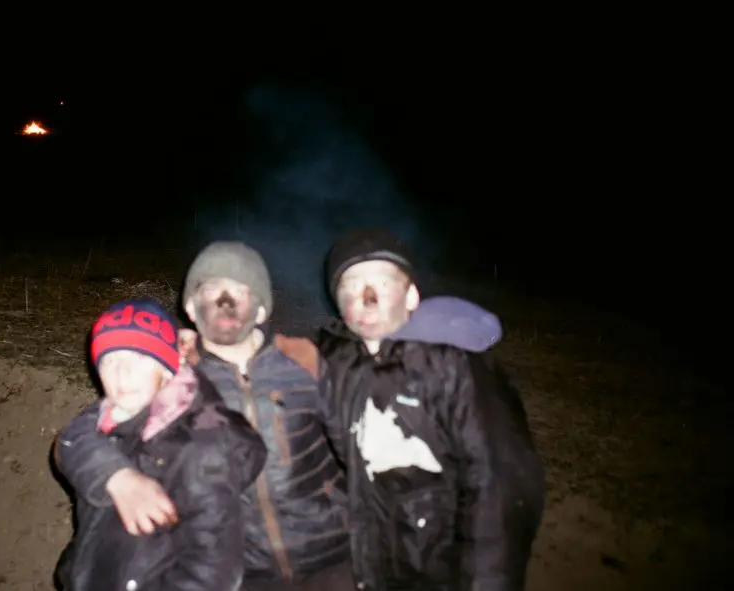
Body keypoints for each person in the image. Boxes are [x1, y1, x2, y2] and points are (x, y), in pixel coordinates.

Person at [55, 242, 354, 590]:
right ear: (191, 308)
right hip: (243, 568)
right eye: (211, 291)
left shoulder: (304, 363)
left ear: (261, 310)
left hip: (333, 554)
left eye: (239, 291)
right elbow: (75, 437)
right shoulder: (174, 381)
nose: (225, 302)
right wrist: (117, 476)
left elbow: (358, 443)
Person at [316, 229, 546, 591]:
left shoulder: (455, 367)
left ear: (411, 296)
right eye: (351, 286)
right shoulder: (334, 365)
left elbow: (500, 491)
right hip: (369, 565)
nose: (367, 299)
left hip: (439, 573)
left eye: (382, 283)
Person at [53, 297, 267, 591]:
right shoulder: (113, 415)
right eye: (110, 361)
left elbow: (215, 569)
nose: (122, 375)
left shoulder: (201, 447)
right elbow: (69, 440)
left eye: (139, 358)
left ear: (168, 368)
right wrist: (117, 477)